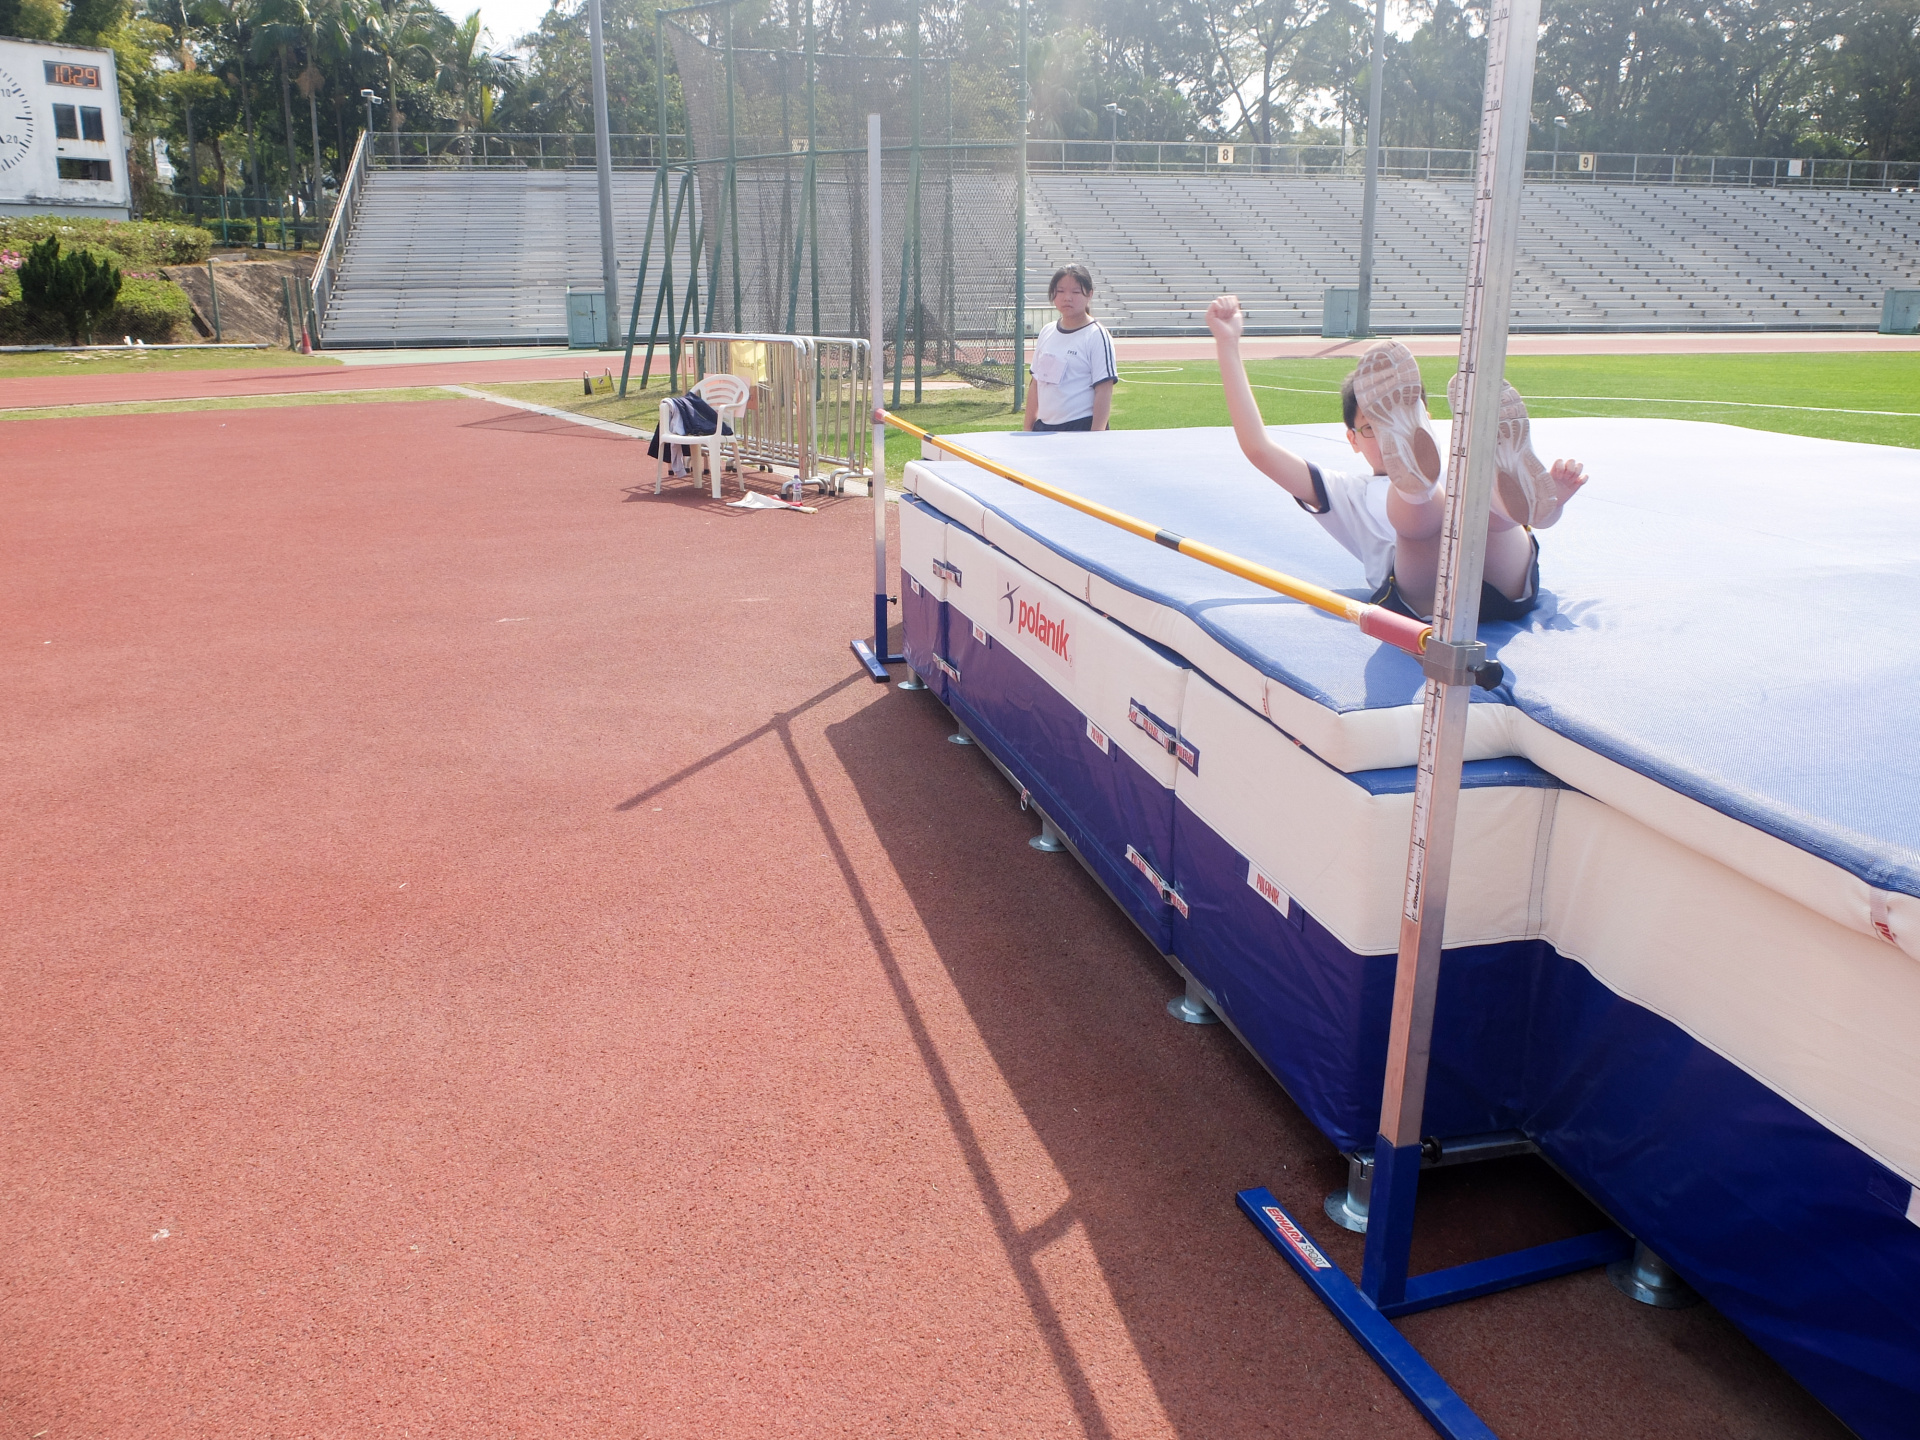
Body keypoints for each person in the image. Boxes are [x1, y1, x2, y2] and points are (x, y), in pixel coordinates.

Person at [1206, 294, 1587, 622]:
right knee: (1425, 512)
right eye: (1373, 428)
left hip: (1503, 579)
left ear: (1426, 419)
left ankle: (1522, 504)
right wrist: (1228, 343)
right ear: (1352, 440)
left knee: (1480, 507)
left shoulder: (1457, 471)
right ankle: (1422, 491)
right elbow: (1259, 449)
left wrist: (1552, 498)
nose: (1384, 439)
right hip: (1425, 598)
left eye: (1394, 425)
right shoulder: (1342, 491)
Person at [1024, 264, 1119, 433]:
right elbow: (1036, 383)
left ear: (1089, 294)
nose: (1067, 298)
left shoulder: (1096, 335)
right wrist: (1027, 428)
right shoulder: (1047, 331)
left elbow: (1104, 390)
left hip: (1080, 429)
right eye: (1060, 291)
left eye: (1075, 292)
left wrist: (1096, 437)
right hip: (1044, 429)